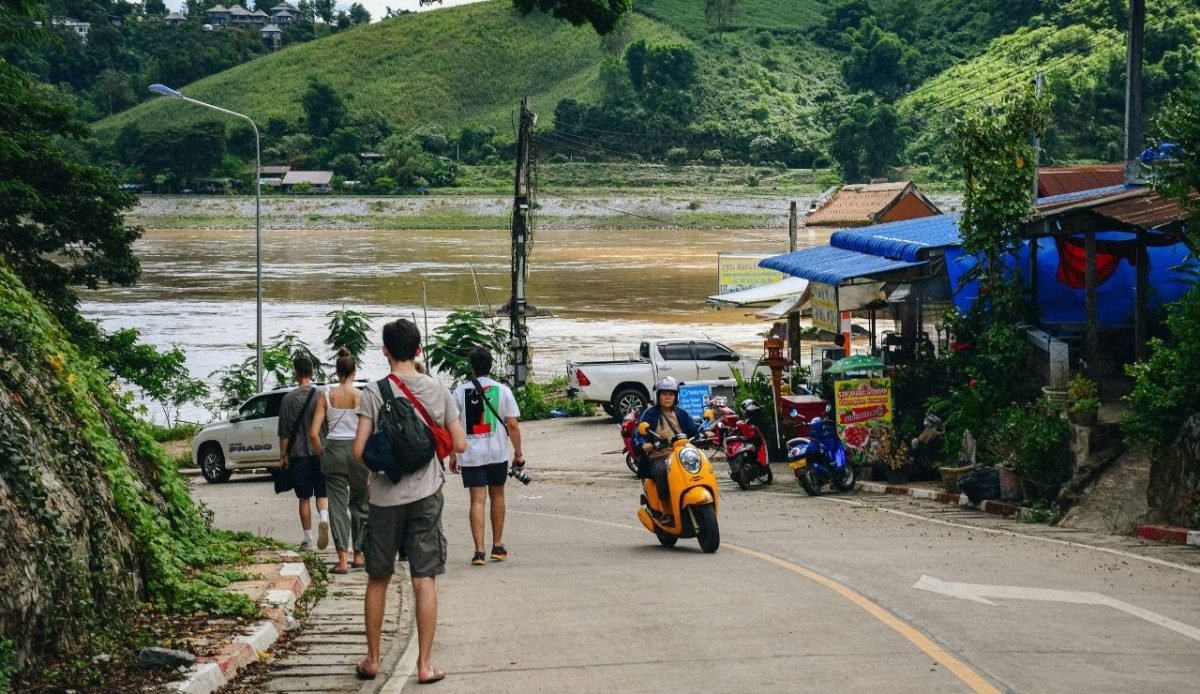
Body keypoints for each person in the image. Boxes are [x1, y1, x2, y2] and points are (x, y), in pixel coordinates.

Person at [352, 319, 466, 684]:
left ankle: (372, 660)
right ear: (419, 350)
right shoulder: (436, 389)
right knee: (424, 579)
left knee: (378, 578)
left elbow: (359, 451)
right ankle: (425, 665)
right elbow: (459, 443)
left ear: (384, 350)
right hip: (426, 496)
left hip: (385, 499)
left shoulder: (372, 391)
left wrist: (386, 460)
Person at [448, 346, 524, 567]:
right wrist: (518, 453)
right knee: (498, 496)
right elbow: (512, 425)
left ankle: (479, 551)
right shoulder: (503, 390)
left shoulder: (460, 392)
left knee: (477, 500)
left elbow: (452, 425)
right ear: (491, 365)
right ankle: (497, 546)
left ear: (471, 367)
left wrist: (452, 454)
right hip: (496, 452)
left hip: (470, 455)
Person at [309, 347, 368, 574]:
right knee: (361, 504)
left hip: (333, 449)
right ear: (354, 371)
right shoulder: (360, 396)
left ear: (336, 372)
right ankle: (359, 556)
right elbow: (367, 428)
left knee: (338, 507)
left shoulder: (326, 397)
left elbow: (314, 433)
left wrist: (323, 452)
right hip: (356, 450)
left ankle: (342, 560)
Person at [278, 355, 329, 552]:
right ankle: (324, 518)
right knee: (322, 493)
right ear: (312, 372)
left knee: (304, 497)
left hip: (298, 455)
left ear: (296, 373)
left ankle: (307, 538)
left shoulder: (287, 400)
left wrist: (282, 456)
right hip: (320, 452)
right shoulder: (321, 396)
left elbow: (284, 433)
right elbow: (327, 424)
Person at [633, 377, 698, 524]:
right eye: (664, 394)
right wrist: (645, 444)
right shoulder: (649, 414)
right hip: (659, 455)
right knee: (663, 472)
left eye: (671, 394)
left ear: (676, 397)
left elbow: (694, 430)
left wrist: (705, 434)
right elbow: (638, 436)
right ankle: (667, 512)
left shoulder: (682, 413)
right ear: (658, 396)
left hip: (682, 454)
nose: (668, 397)